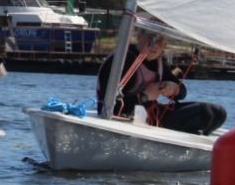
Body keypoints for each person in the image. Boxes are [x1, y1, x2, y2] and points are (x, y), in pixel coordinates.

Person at [96, 30, 226, 135]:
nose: (156, 44)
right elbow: (108, 106)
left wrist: (174, 88)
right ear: (139, 36)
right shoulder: (122, 60)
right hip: (123, 118)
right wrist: (144, 96)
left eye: (161, 40)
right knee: (204, 113)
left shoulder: (159, 63)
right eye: (152, 37)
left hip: (152, 116)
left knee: (217, 112)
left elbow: (182, 93)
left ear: (165, 46)